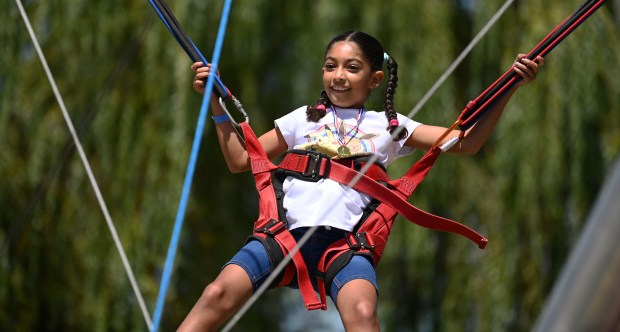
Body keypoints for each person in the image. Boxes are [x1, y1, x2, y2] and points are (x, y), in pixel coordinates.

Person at [179, 31, 543, 331]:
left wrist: (510, 85)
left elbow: (465, 142)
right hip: (279, 236)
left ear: (374, 79)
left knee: (364, 316)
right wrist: (215, 102)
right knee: (215, 295)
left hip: (345, 247)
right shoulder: (301, 120)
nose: (339, 76)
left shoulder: (389, 125)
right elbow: (242, 160)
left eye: (352, 68)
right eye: (330, 66)